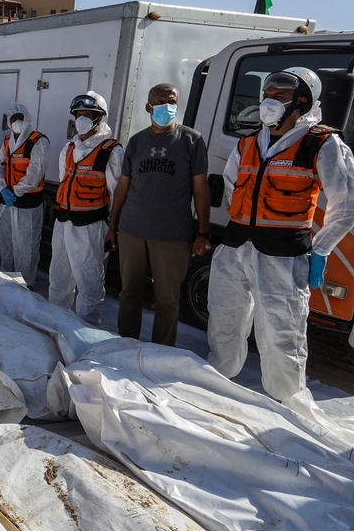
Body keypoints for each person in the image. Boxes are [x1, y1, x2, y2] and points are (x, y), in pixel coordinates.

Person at [208, 67, 354, 402]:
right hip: (235, 247)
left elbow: (346, 204)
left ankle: (286, 402)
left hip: (283, 256)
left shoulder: (320, 143)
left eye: (279, 96)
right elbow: (231, 187)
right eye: (267, 95)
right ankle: (216, 384)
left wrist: (322, 249)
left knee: (282, 333)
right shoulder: (248, 142)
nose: (269, 101)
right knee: (224, 320)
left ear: (302, 101)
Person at [106, 83, 210, 346]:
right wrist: (112, 227)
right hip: (132, 230)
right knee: (129, 293)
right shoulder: (137, 141)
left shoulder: (192, 140)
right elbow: (123, 187)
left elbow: (201, 189)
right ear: (148, 107)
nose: (167, 107)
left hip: (172, 235)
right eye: (160, 102)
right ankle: (126, 345)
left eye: (171, 102)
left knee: (167, 299)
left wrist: (203, 233)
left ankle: (161, 352)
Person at [49, 91, 125, 325]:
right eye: (78, 114)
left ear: (99, 118)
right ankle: (54, 325)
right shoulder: (69, 148)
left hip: (90, 226)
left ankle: (84, 331)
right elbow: (63, 180)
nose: (81, 119)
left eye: (88, 114)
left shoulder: (111, 151)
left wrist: (112, 228)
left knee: (89, 283)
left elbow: (117, 195)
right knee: (59, 278)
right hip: (64, 221)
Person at [0, 102, 48, 284]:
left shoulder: (38, 141)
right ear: (9, 122)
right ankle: (7, 278)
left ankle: (25, 283)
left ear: (27, 119)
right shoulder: (8, 141)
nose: (17, 122)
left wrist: (15, 191)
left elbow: (34, 174)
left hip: (28, 204)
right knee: (6, 240)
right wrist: (2, 188)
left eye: (20, 118)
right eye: (13, 119)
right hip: (8, 201)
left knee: (26, 245)